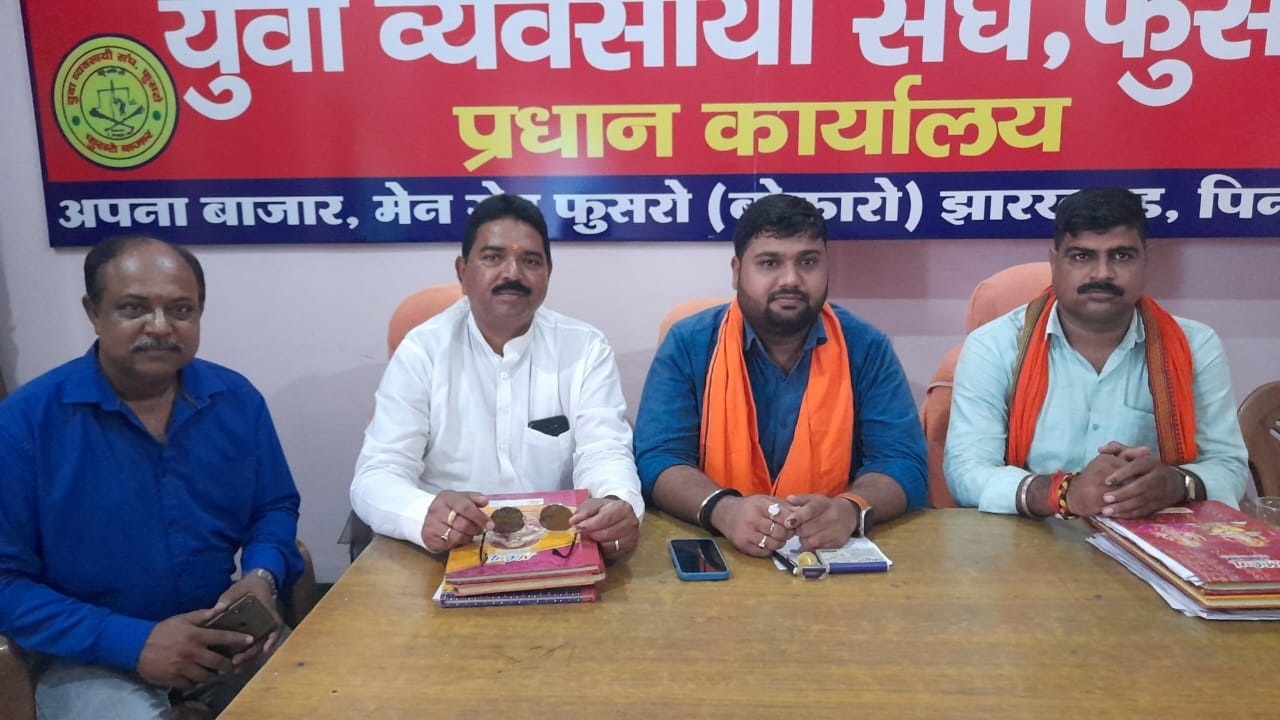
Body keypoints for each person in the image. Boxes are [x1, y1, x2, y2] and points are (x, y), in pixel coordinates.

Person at [0, 236, 304, 719]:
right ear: (94, 312)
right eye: (134, 308)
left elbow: (274, 508)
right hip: (90, 656)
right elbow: (5, 581)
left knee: (335, 697)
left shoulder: (235, 400)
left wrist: (261, 576)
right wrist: (133, 641)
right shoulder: (25, 424)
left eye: (181, 310)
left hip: (226, 640)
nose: (160, 327)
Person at [350, 194, 643, 560]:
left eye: (530, 261)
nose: (512, 274)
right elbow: (377, 474)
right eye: (493, 257)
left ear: (548, 274)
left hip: (557, 549)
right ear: (462, 272)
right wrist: (422, 514)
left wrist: (615, 501)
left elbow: (604, 451)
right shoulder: (422, 351)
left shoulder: (584, 348)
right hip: (443, 551)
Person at [634, 193, 927, 557]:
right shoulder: (689, 343)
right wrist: (724, 510)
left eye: (808, 262)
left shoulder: (865, 347)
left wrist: (850, 510)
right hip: (716, 546)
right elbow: (659, 457)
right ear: (737, 271)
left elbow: (903, 462)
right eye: (769, 263)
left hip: (829, 552)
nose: (791, 279)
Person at [945, 187, 1249, 519]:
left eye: (1122, 256)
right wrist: (1061, 493)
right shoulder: (994, 345)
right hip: (1032, 534)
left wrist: (1178, 483)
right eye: (1082, 256)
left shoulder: (1194, 345)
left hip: (1150, 534)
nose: (1102, 273)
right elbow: (966, 471)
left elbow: (1229, 467)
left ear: (1145, 260)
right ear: (1054, 263)